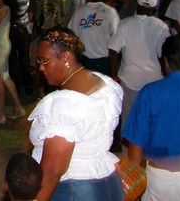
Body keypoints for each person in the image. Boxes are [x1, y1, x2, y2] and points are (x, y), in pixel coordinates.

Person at [28, 27, 123, 200]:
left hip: (73, 189)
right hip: (106, 183)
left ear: (65, 57)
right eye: (38, 61)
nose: (40, 68)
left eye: (45, 61)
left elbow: (52, 171)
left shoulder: (63, 105)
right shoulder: (106, 85)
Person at [123, 33, 180, 200]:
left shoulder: (150, 92)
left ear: (165, 62)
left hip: (159, 180)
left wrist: (134, 186)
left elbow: (135, 147)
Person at [108, 0, 170, 130]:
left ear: (137, 5)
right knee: (152, 119)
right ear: (154, 9)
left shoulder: (125, 23)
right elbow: (164, 55)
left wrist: (113, 76)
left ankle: (127, 151)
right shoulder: (161, 26)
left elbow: (113, 50)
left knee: (129, 120)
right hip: (154, 81)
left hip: (129, 79)